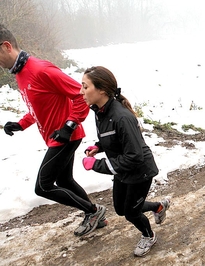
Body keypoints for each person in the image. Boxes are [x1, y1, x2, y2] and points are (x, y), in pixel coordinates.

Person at [0, 24, 107, 236]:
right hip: (55, 137)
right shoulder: (21, 74)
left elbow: (80, 95)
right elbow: (38, 107)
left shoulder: (40, 69)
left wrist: (69, 126)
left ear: (6, 46)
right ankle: (95, 216)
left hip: (65, 136)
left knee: (43, 186)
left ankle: (93, 211)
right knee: (64, 180)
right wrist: (21, 124)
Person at [80, 66, 170, 257]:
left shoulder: (122, 117)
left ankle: (149, 236)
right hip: (123, 169)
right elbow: (114, 138)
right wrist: (99, 146)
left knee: (131, 212)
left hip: (140, 171)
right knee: (121, 208)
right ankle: (158, 206)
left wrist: (97, 165)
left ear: (102, 90)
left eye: (85, 87)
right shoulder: (100, 110)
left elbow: (135, 156)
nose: (81, 92)